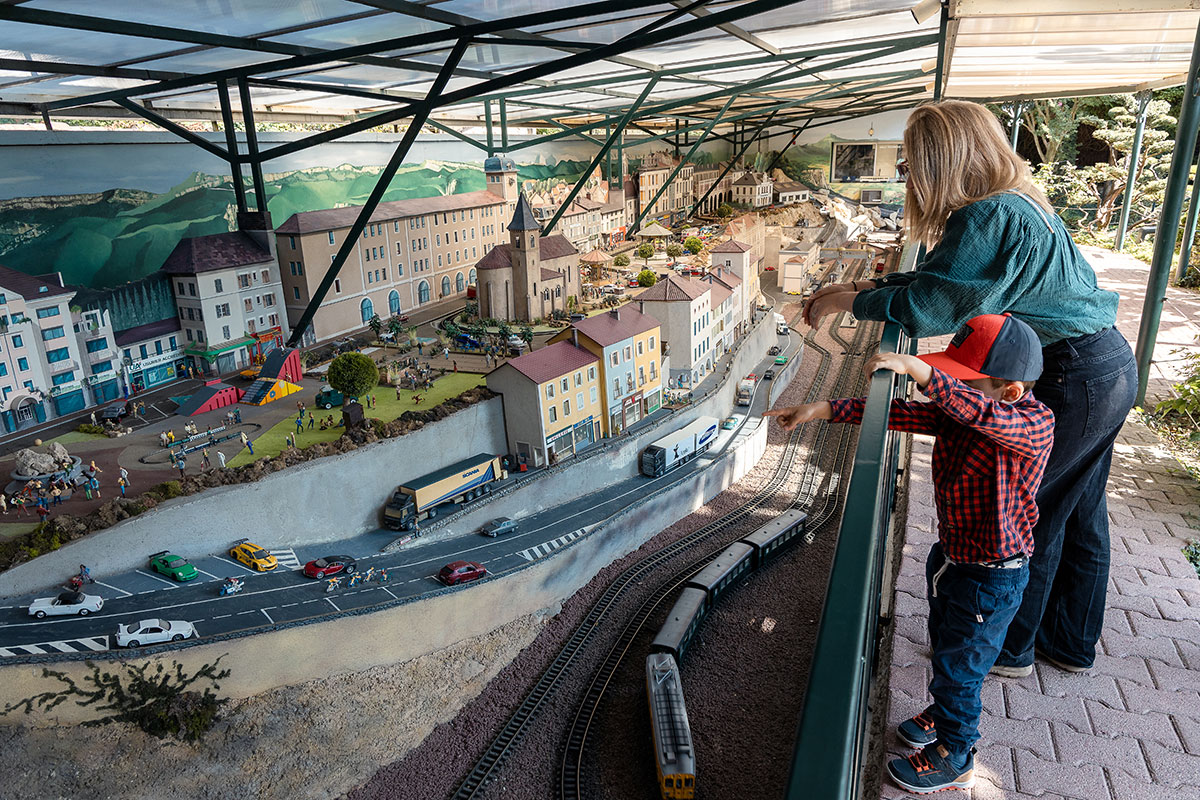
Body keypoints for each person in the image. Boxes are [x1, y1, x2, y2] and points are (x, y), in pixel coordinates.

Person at [802, 100, 1137, 678]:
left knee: (1034, 514)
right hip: (1104, 365)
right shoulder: (1018, 204)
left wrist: (848, 301)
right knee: (1081, 511)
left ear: (942, 159)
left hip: (1068, 371)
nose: (910, 174)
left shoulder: (986, 215)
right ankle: (1071, 643)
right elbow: (940, 278)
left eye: (913, 162)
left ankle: (1008, 648)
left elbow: (930, 305)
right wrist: (860, 284)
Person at [766, 314, 1054, 794]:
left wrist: (922, 372)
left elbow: (980, 414)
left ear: (1009, 391)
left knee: (962, 669)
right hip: (954, 557)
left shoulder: (1031, 424)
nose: (948, 388)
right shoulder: (965, 411)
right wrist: (821, 408)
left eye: (964, 380)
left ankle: (956, 753)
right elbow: (902, 414)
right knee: (945, 646)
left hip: (993, 577)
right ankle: (945, 711)